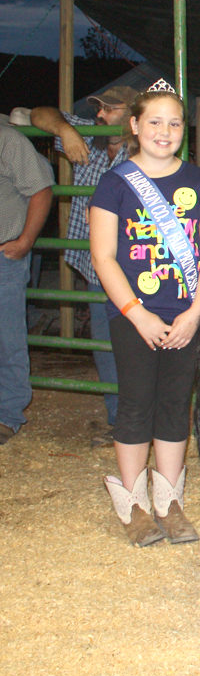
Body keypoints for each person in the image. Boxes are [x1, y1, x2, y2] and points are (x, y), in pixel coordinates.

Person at [91, 83, 200, 546]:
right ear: (134, 126)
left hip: (187, 315)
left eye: (173, 123)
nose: (164, 132)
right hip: (133, 315)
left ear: (182, 130)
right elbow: (104, 256)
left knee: (174, 404)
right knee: (135, 402)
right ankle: (133, 502)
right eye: (154, 122)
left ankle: (168, 499)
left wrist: (194, 314)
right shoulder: (114, 182)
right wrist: (137, 314)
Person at [30, 87, 138, 446]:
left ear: (134, 114)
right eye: (100, 108)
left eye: (112, 108)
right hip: (96, 266)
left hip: (134, 268)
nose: (102, 115)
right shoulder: (88, 138)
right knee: (105, 344)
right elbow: (38, 114)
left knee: (133, 345)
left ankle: (138, 421)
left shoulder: (143, 147)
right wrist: (64, 130)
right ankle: (119, 421)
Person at [0, 122, 54, 445]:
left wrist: (26, 240)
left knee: (7, 336)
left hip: (3, 253)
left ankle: (8, 413)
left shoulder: (7, 140)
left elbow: (41, 189)